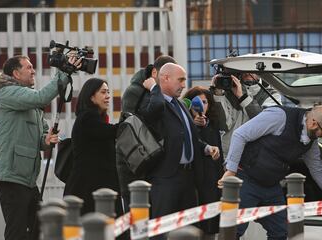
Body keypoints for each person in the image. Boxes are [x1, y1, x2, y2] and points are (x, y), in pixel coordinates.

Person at [218, 105, 322, 240]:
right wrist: (230, 171)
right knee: (232, 232)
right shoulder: (279, 116)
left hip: (271, 187)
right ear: (313, 123)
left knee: (281, 231)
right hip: (245, 180)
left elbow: (317, 170)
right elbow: (240, 135)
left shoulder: (311, 142)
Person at [0, 55, 76, 240]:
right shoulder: (7, 93)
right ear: (16, 73)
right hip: (11, 175)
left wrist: (47, 139)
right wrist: (63, 73)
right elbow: (41, 97)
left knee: (38, 227)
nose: (33, 70)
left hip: (26, 178)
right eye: (28, 67)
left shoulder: (29, 102)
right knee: (17, 231)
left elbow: (41, 141)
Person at [142, 63, 220, 240]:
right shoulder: (153, 101)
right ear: (165, 78)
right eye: (181, 80)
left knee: (189, 230)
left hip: (188, 178)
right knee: (162, 231)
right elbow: (153, 111)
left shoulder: (181, 105)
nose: (184, 85)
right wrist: (154, 87)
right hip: (165, 178)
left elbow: (188, 137)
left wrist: (206, 148)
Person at [116, 55, 177, 212]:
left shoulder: (161, 93)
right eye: (166, 77)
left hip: (155, 166)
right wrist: (154, 90)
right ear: (155, 73)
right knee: (137, 221)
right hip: (135, 166)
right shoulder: (135, 92)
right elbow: (133, 127)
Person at [63, 78, 124, 217]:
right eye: (103, 92)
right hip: (90, 190)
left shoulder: (95, 118)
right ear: (91, 97)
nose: (108, 96)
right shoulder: (87, 118)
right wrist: (129, 122)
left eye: (108, 92)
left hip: (96, 188)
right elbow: (112, 131)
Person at [183, 86, 223, 239]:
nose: (202, 106)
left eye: (205, 102)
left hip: (211, 181)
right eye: (198, 102)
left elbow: (217, 152)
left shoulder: (213, 124)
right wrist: (194, 126)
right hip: (190, 180)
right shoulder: (183, 122)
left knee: (210, 228)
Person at [211, 72, 282, 156]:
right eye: (244, 69)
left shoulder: (272, 94)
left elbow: (264, 123)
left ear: (260, 72)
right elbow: (223, 125)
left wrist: (242, 97)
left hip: (259, 155)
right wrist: (218, 94)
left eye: (252, 69)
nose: (248, 72)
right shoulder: (228, 92)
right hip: (231, 153)